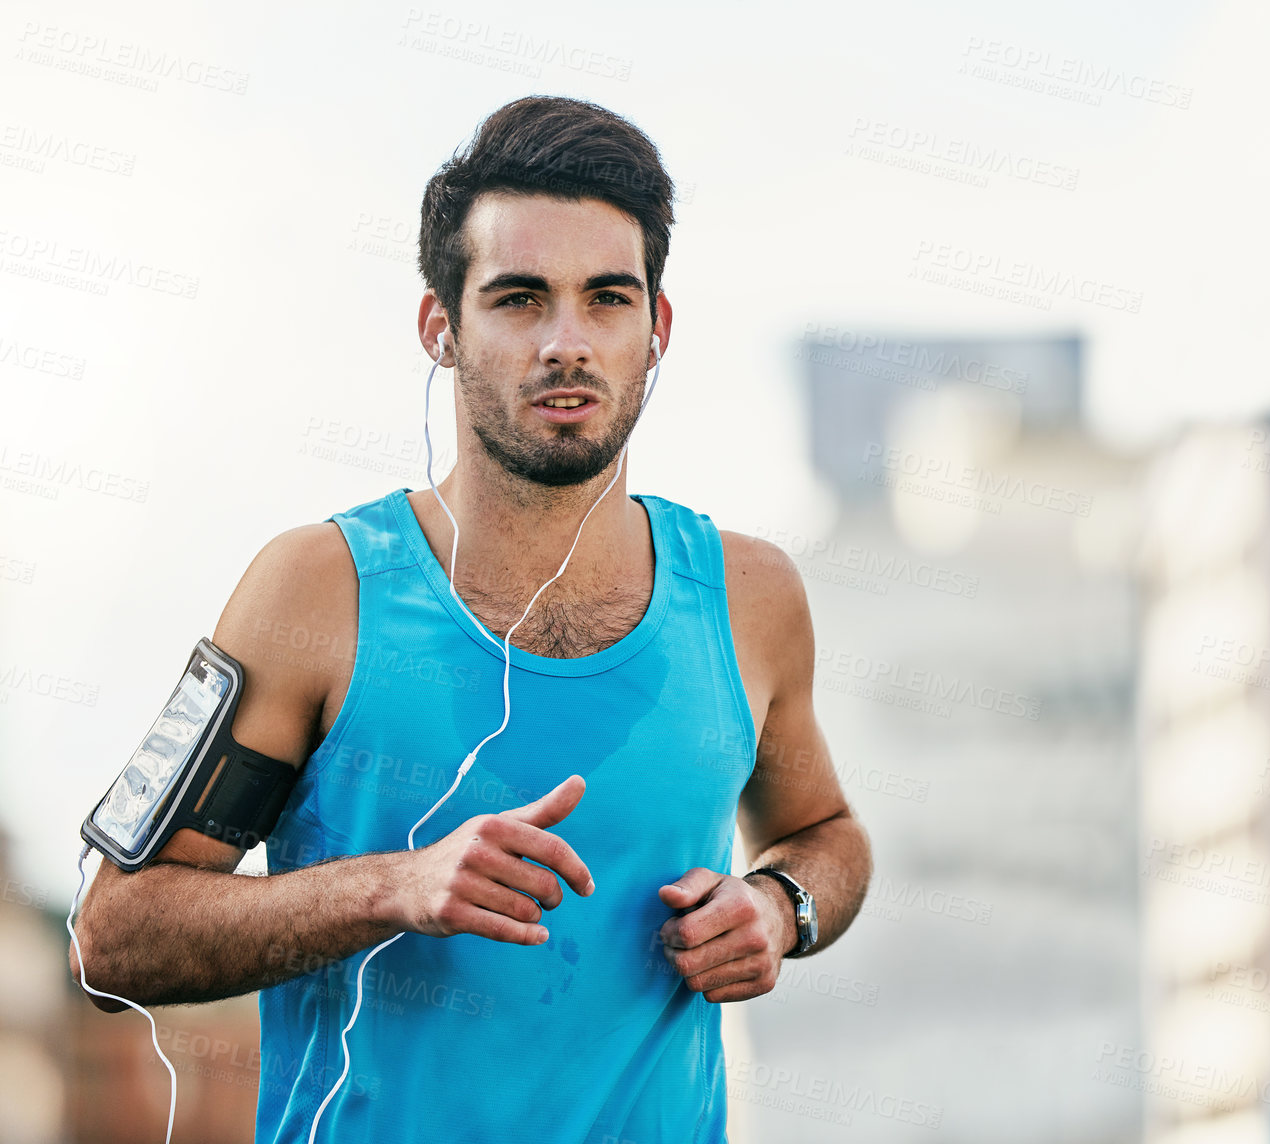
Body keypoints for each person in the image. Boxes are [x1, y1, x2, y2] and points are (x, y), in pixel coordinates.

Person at [69, 95, 873, 1143]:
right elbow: (111, 937)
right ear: (440, 326)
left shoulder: (751, 597)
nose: (568, 343)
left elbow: (826, 836)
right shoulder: (317, 589)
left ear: (657, 328)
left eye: (608, 299)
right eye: (520, 298)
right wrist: (396, 886)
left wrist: (780, 907)